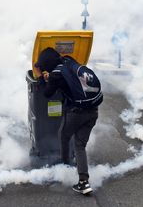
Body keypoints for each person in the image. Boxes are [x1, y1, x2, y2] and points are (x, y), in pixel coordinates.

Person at [34, 47, 102, 195]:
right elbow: (67, 80)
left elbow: (47, 93)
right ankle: (83, 182)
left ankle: (65, 166)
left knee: (63, 136)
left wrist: (41, 76)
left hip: (76, 113)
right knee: (79, 145)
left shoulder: (55, 75)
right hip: (93, 111)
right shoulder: (70, 63)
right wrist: (50, 77)